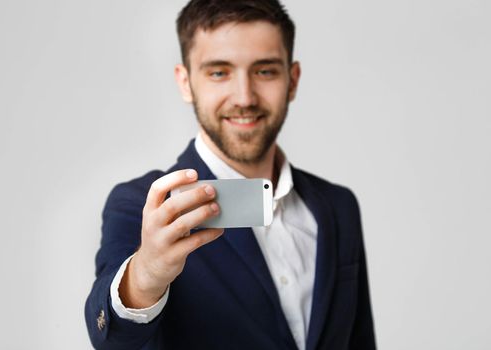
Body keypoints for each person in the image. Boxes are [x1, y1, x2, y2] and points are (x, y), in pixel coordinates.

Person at [85, 0, 376, 349]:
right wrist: (146, 275)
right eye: (219, 72)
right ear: (186, 82)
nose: (244, 97)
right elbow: (113, 339)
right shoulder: (144, 205)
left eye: (265, 71)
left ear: (292, 79)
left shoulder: (338, 206)